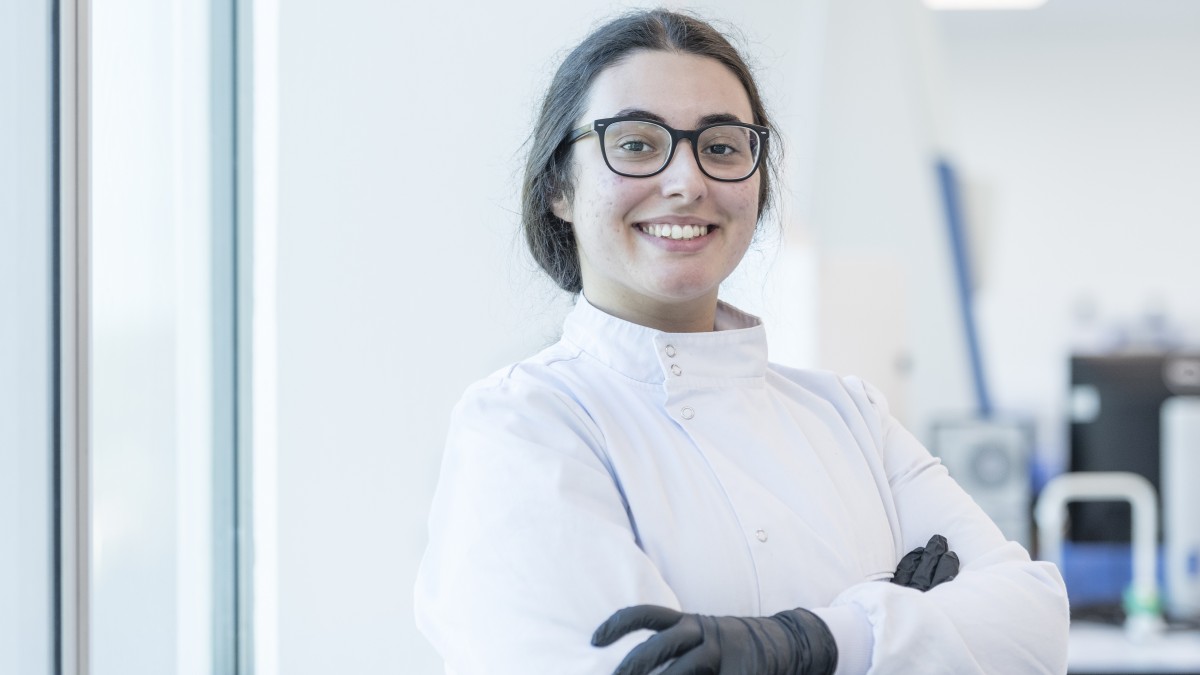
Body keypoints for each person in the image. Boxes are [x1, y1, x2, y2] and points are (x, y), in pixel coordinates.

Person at [414, 9, 1069, 674]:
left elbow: (1035, 628)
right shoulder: (523, 424)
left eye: (722, 146)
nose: (688, 181)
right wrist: (903, 620)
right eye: (637, 144)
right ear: (559, 184)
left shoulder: (851, 417)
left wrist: (808, 641)